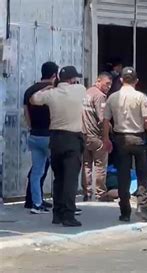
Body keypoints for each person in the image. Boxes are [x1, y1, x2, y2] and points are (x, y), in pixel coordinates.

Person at [102, 67, 147, 222]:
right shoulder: (141, 97)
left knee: (123, 176)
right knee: (142, 175)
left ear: (121, 80)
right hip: (138, 139)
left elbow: (106, 121)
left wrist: (106, 139)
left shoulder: (112, 97)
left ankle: (125, 211)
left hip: (120, 139)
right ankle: (142, 207)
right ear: (136, 81)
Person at [30, 66, 86, 227]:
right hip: (72, 139)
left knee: (59, 178)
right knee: (70, 180)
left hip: (55, 139)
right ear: (72, 79)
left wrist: (50, 86)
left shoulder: (51, 94)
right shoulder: (80, 89)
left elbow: (34, 99)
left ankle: (57, 214)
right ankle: (68, 215)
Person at [23, 61, 58, 213]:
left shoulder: (29, 90)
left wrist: (31, 127)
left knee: (37, 172)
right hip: (49, 135)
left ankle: (36, 203)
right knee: (60, 171)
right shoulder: (52, 91)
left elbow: (26, 113)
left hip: (34, 135)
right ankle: (62, 203)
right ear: (54, 75)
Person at [82, 72, 113, 201]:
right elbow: (103, 119)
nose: (109, 87)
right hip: (96, 136)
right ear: (98, 81)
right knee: (100, 165)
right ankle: (101, 193)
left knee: (86, 165)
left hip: (83, 135)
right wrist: (111, 131)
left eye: (110, 84)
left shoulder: (86, 92)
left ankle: (87, 192)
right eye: (107, 84)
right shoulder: (100, 96)